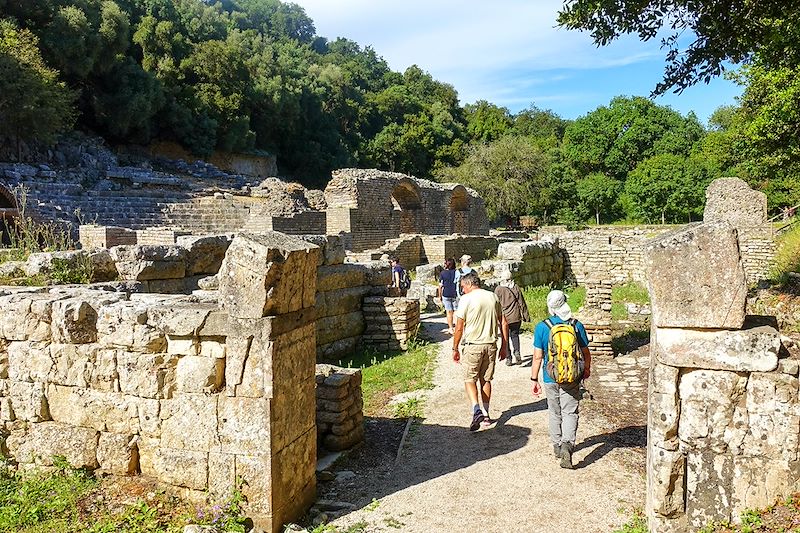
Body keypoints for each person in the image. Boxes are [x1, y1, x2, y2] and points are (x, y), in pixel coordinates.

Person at [530, 289, 592, 469]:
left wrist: (534, 379)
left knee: (554, 411)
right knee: (570, 411)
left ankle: (557, 446)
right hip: (572, 376)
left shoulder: (542, 327)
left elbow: (537, 357)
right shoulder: (575, 324)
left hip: (550, 376)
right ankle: (568, 445)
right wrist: (586, 369)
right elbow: (585, 352)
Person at [452, 271, 509, 431]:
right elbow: (503, 323)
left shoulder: (466, 299)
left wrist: (455, 348)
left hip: (473, 345)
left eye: (463, 286)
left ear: (469, 284)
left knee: (469, 379)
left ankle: (476, 409)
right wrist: (504, 346)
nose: (462, 290)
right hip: (491, 344)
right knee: (486, 379)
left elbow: (459, 327)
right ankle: (486, 414)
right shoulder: (493, 296)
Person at [494, 279, 529, 366]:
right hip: (516, 316)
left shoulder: (498, 289)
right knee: (515, 335)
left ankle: (508, 358)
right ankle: (517, 352)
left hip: (503, 317)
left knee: (505, 337)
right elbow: (522, 302)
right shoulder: (516, 287)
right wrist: (525, 316)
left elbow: (495, 304)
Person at [438, 257, 458, 334]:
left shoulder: (443, 273)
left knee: (449, 312)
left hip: (446, 293)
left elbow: (440, 285)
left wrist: (440, 296)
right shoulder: (456, 272)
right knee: (456, 312)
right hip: (455, 293)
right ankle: (457, 327)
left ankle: (450, 328)